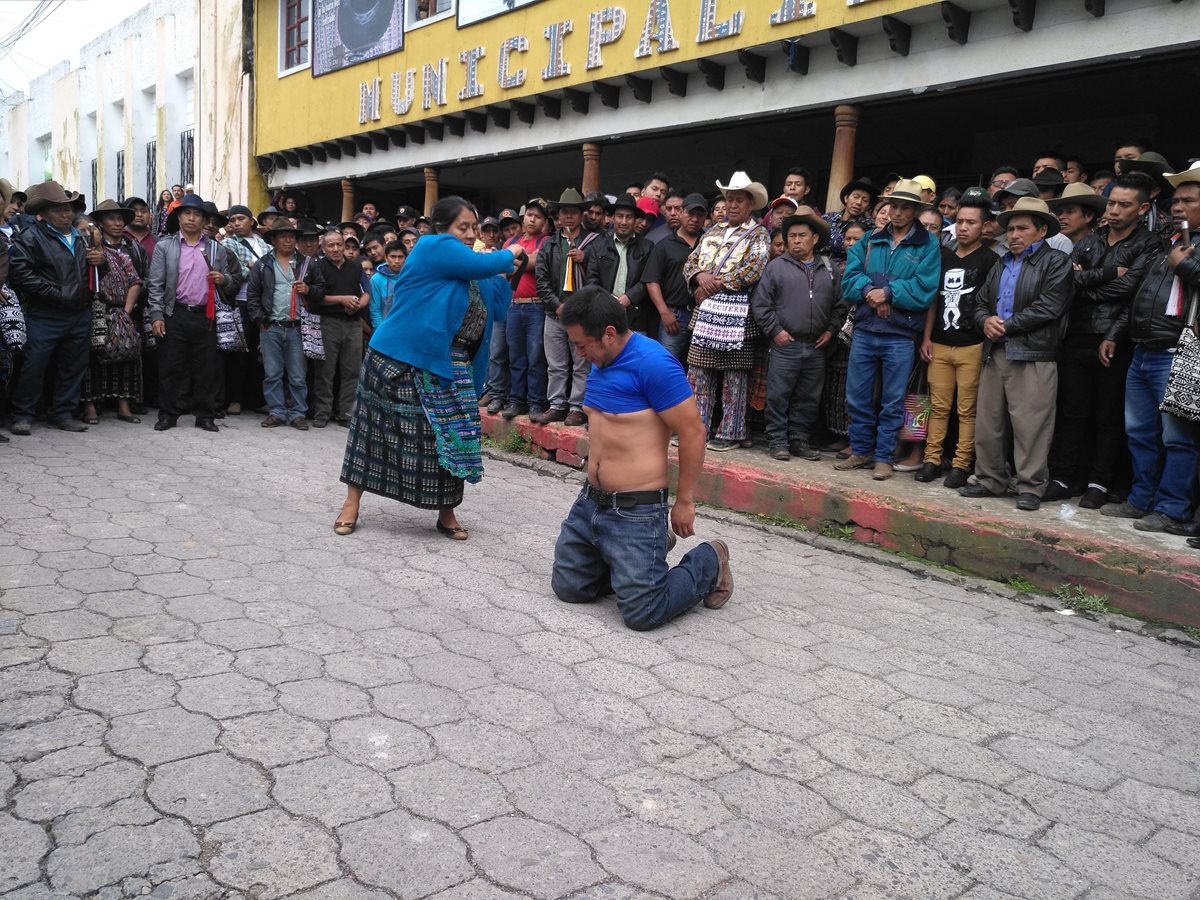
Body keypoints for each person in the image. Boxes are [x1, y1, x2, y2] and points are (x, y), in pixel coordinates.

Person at [335, 197, 524, 538]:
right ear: (442, 228)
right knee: (371, 433)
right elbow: (493, 261)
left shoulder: (472, 265)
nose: (470, 234)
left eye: (474, 228)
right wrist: (512, 253)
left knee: (450, 440)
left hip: (450, 364)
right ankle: (351, 503)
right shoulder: (432, 248)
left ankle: (446, 513)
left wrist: (501, 270)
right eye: (462, 227)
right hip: (400, 357)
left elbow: (499, 307)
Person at [551, 288, 732, 630]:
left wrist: (685, 500)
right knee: (569, 588)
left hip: (637, 510)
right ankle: (641, 558)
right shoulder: (601, 359)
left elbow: (693, 432)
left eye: (582, 344)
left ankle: (711, 560)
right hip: (590, 504)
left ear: (608, 334)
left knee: (643, 613)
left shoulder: (654, 363)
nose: (579, 352)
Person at [1045, 174, 1160, 508]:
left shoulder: (1149, 243)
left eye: (1124, 205)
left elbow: (1131, 293)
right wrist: (1110, 274)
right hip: (1076, 334)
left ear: (1143, 208)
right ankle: (1065, 477)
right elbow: (1068, 283)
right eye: (1111, 202)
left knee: (1108, 415)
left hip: (1115, 339)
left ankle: (1099, 481)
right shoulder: (1089, 241)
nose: (1115, 210)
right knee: (1072, 411)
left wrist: (1089, 285)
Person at [1101, 165, 1200, 535]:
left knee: (1177, 437)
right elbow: (1138, 296)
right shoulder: (1167, 244)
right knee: (1140, 432)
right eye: (1176, 200)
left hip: (1177, 351)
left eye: (1189, 201)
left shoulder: (1186, 249)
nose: (1178, 207)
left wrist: (1186, 265)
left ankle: (1172, 507)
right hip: (1142, 349)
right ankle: (1141, 499)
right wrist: (1115, 333)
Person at [959, 197, 1072, 511]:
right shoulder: (999, 263)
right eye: (1010, 229)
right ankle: (989, 479)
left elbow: (1050, 307)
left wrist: (1005, 325)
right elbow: (980, 302)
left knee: (1032, 424)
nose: (1014, 235)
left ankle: (1031, 487)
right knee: (988, 421)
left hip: (1034, 353)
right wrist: (985, 321)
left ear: (1041, 231)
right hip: (996, 351)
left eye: (1023, 228)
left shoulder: (1055, 261)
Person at [837, 179, 940, 480]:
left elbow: (926, 289)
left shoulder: (928, 245)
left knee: (893, 400)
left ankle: (883, 456)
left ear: (915, 211)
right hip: (867, 329)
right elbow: (849, 281)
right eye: (893, 205)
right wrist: (872, 291)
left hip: (900, 335)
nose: (897, 211)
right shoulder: (870, 239)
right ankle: (860, 451)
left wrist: (889, 293)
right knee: (856, 395)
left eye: (905, 207)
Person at [683, 171, 772, 451]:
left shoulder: (759, 234)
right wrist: (699, 276)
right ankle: (697, 429)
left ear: (750, 205)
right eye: (729, 199)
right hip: (706, 313)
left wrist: (713, 283)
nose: (732, 205)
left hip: (739, 316)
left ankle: (730, 433)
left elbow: (754, 268)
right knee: (699, 373)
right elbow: (690, 262)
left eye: (739, 200)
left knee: (735, 376)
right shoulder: (712, 232)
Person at [916, 195, 999, 487]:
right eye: (959, 221)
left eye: (970, 222)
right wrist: (926, 337)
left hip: (972, 346)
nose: (963, 227)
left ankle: (962, 464)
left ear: (985, 226)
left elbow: (992, 305)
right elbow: (933, 302)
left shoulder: (991, 260)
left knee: (967, 410)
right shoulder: (943, 256)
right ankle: (931, 460)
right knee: (936, 407)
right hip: (939, 342)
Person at [751, 209, 847, 461]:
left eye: (801, 235)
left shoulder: (829, 267)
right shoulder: (775, 267)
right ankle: (777, 440)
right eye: (791, 235)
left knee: (808, 397)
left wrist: (830, 330)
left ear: (814, 239)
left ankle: (799, 440)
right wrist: (776, 331)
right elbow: (761, 304)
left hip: (816, 345)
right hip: (786, 343)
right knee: (778, 394)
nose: (795, 240)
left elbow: (840, 305)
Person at [147, 193, 243, 432]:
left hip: (205, 315)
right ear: (179, 218)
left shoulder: (215, 250)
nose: (191, 218)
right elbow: (155, 284)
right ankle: (168, 414)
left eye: (197, 215)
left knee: (207, 368)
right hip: (175, 313)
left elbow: (231, 282)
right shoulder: (164, 247)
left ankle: (205, 415)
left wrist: (223, 278)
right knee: (171, 367)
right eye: (187, 213)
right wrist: (157, 315)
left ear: (204, 221)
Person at [7, 181, 97, 435]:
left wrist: (102, 263)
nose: (66, 214)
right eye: (58, 210)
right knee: (35, 365)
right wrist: (55, 293)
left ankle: (62, 413)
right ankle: (23, 414)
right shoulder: (31, 237)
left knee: (74, 366)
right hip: (45, 314)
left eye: (68, 209)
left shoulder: (82, 237)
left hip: (79, 312)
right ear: (43, 214)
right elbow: (21, 273)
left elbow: (94, 274)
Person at [245, 220, 327, 430]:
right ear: (273, 239)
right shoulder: (263, 264)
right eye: (283, 236)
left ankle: (298, 414)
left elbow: (321, 291)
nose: (289, 239)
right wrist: (260, 320)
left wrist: (309, 290)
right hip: (271, 326)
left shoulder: (308, 263)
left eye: (292, 236)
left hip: (298, 327)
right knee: (272, 373)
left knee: (298, 375)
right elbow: (252, 295)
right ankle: (277, 412)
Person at [535, 188, 601, 426]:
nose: (570, 217)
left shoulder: (593, 243)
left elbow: (597, 280)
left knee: (582, 363)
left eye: (574, 212)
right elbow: (541, 281)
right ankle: (556, 404)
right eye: (565, 212)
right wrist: (557, 305)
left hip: (581, 314)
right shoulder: (549, 245)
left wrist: (587, 260)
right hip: (554, 313)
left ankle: (576, 407)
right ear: (559, 216)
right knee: (556, 364)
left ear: (582, 215)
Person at [81, 200, 144, 426]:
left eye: (120, 219)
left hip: (121, 310)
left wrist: (125, 313)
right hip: (96, 310)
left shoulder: (127, 251)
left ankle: (123, 405)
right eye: (111, 219)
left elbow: (136, 281)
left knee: (126, 354)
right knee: (91, 358)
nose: (117, 223)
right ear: (98, 225)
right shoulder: (86, 248)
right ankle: (90, 406)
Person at [311, 230, 370, 427]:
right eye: (331, 245)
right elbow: (316, 297)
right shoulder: (318, 266)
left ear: (344, 246)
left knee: (351, 370)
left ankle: (345, 413)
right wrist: (341, 299)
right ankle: (322, 413)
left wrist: (357, 305)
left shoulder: (356, 267)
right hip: (328, 322)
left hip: (353, 323)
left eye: (339, 245)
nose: (336, 249)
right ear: (323, 248)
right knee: (325, 371)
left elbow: (367, 292)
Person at [645, 193, 708, 364]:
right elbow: (652, 281)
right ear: (681, 213)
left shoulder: (711, 244)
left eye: (699, 215)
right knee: (667, 365)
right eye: (690, 213)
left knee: (699, 368)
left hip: (705, 315)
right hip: (674, 316)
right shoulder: (664, 245)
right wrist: (664, 312)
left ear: (705, 219)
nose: (694, 219)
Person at [501, 200, 550, 420]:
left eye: (538, 216)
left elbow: (533, 263)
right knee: (515, 357)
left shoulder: (546, 241)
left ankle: (536, 402)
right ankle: (516, 400)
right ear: (523, 217)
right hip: (513, 306)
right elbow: (502, 267)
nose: (532, 219)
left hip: (536, 305)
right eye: (529, 214)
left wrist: (513, 262)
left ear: (545, 222)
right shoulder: (511, 241)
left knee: (536, 356)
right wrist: (517, 263)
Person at [221, 205, 271, 415]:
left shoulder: (264, 244)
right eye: (232, 220)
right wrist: (257, 268)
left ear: (251, 221)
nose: (236, 223)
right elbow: (234, 272)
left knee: (259, 354)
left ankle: (256, 398)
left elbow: (274, 269)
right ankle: (235, 399)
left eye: (241, 218)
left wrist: (254, 266)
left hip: (262, 304)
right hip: (240, 302)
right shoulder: (228, 244)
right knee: (238, 353)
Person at [587, 194, 654, 335]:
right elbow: (592, 280)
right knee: (605, 356)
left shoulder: (647, 247)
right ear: (612, 218)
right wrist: (608, 300)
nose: (624, 222)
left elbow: (648, 279)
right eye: (619, 216)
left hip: (636, 316)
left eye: (629, 217)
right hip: (604, 314)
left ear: (635, 220)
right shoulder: (597, 245)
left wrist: (629, 297)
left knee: (634, 355)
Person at [824, 177, 876, 261]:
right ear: (846, 198)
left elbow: (862, 248)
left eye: (865, 200)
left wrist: (829, 241)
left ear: (868, 206)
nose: (859, 202)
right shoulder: (828, 218)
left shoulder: (870, 225)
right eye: (856, 197)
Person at [368, 240, 407, 329]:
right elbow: (375, 310)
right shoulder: (376, 279)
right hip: (386, 329)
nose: (397, 261)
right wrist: (380, 334)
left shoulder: (410, 277)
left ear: (406, 258)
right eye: (393, 257)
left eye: (400, 257)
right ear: (386, 258)